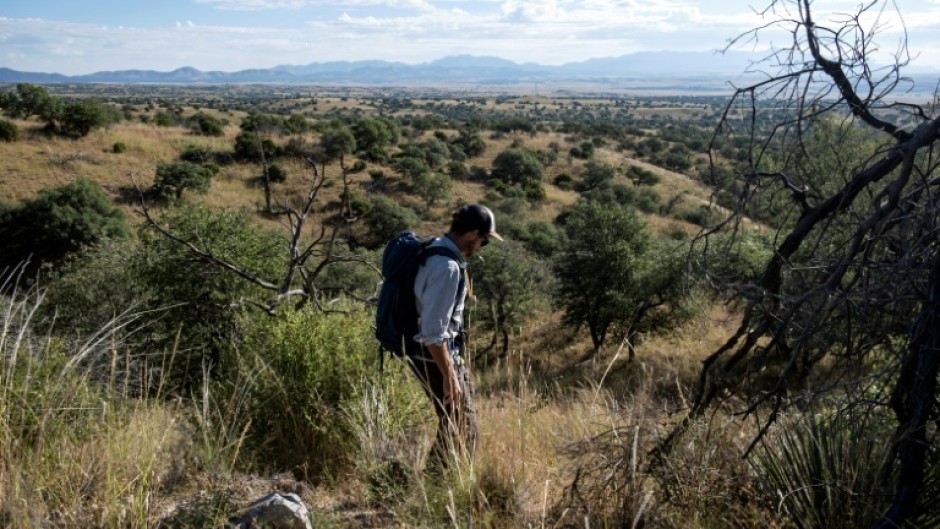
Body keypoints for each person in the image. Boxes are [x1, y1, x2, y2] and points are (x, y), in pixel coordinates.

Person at [410, 204, 502, 469]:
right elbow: (432, 333)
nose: (482, 246)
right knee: (464, 427)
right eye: (484, 241)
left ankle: (435, 485)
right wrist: (450, 376)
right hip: (434, 354)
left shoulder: (435, 249)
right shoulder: (447, 268)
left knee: (453, 423)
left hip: (435, 353)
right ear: (473, 234)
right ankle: (444, 492)